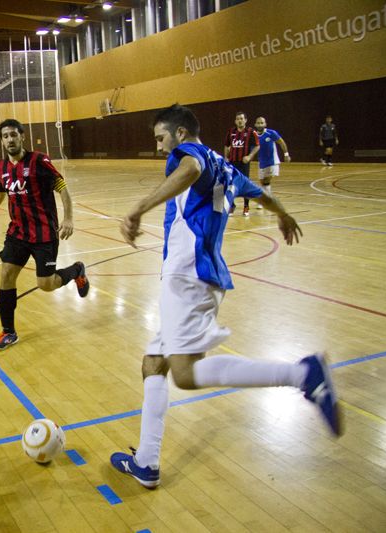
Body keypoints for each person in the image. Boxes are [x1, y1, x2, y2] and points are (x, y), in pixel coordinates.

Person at [109, 104, 341, 489]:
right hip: (200, 276)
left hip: (187, 276)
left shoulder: (192, 156)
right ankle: (146, 462)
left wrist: (138, 208)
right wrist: (282, 213)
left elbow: (191, 170)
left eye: (161, 139)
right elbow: (261, 195)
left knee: (184, 375)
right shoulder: (227, 167)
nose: (160, 148)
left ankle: (303, 374)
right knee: (154, 364)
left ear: (180, 134)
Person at [0, 118, 90, 351]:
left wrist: (68, 218)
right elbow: (0, 193)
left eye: (14, 135)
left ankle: (77, 270)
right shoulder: (0, 167)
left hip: (44, 233)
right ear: (2, 140)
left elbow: (61, 186)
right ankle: (9, 332)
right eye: (5, 136)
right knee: (6, 274)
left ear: (22, 137)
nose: (10, 139)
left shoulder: (38, 161)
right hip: (17, 232)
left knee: (46, 284)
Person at [223, 111, 259, 217]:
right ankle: (232, 205)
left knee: (244, 184)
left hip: (243, 163)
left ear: (245, 120)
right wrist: (226, 157)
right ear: (235, 121)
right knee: (230, 183)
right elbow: (226, 145)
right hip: (232, 162)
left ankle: (246, 206)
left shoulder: (251, 132)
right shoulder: (231, 132)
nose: (240, 120)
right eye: (238, 119)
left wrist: (249, 156)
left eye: (242, 118)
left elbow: (257, 146)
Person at [253, 116, 291, 209]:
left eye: (262, 123)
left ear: (265, 124)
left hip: (272, 162)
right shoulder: (253, 135)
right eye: (258, 123)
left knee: (267, 180)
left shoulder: (271, 133)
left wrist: (286, 154)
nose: (260, 124)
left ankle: (265, 201)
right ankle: (267, 198)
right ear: (255, 124)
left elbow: (281, 142)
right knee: (262, 182)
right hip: (261, 162)